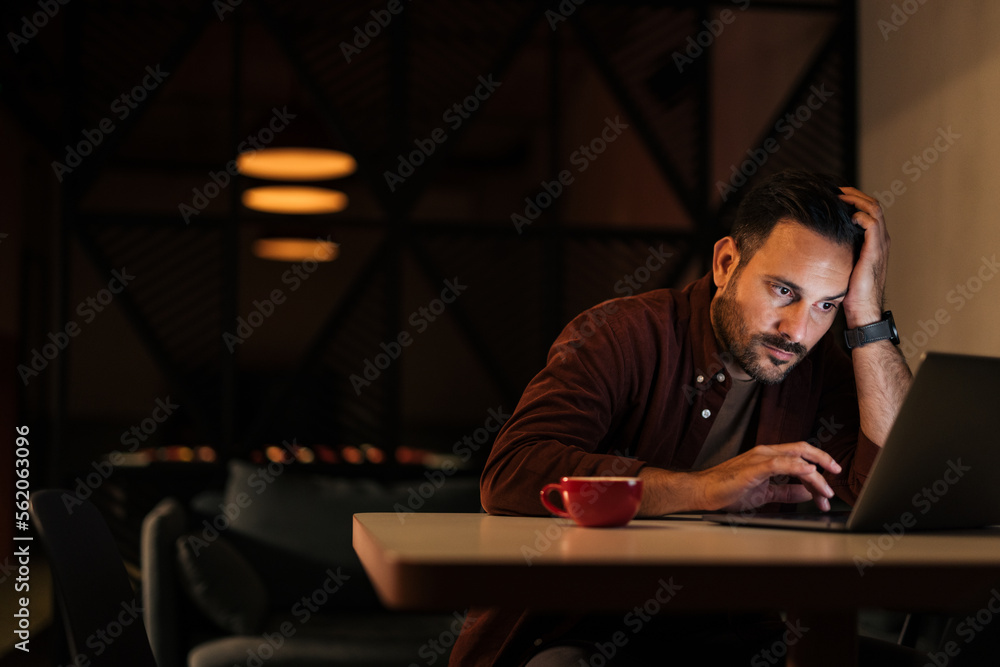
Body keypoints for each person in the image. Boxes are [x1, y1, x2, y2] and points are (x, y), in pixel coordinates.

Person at [448, 170, 916, 666]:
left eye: (827, 305)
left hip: (736, 637)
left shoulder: (818, 370)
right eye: (782, 291)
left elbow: (891, 489)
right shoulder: (623, 333)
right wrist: (702, 488)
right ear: (726, 262)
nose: (798, 330)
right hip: (583, 630)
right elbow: (513, 473)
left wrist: (867, 318)